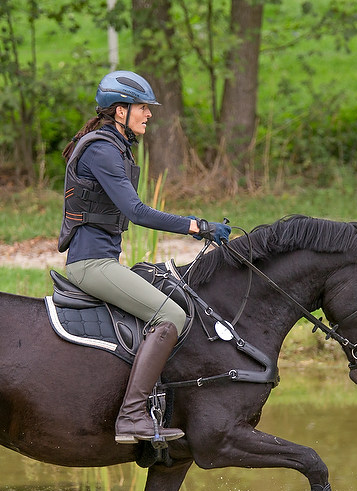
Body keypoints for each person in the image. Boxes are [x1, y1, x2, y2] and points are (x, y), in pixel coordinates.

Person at [59, 70, 230, 445]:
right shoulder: (103, 150)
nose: (149, 114)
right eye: (142, 108)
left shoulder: (114, 146)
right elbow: (136, 212)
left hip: (105, 261)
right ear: (120, 112)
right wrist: (197, 226)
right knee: (171, 315)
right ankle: (132, 417)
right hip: (91, 265)